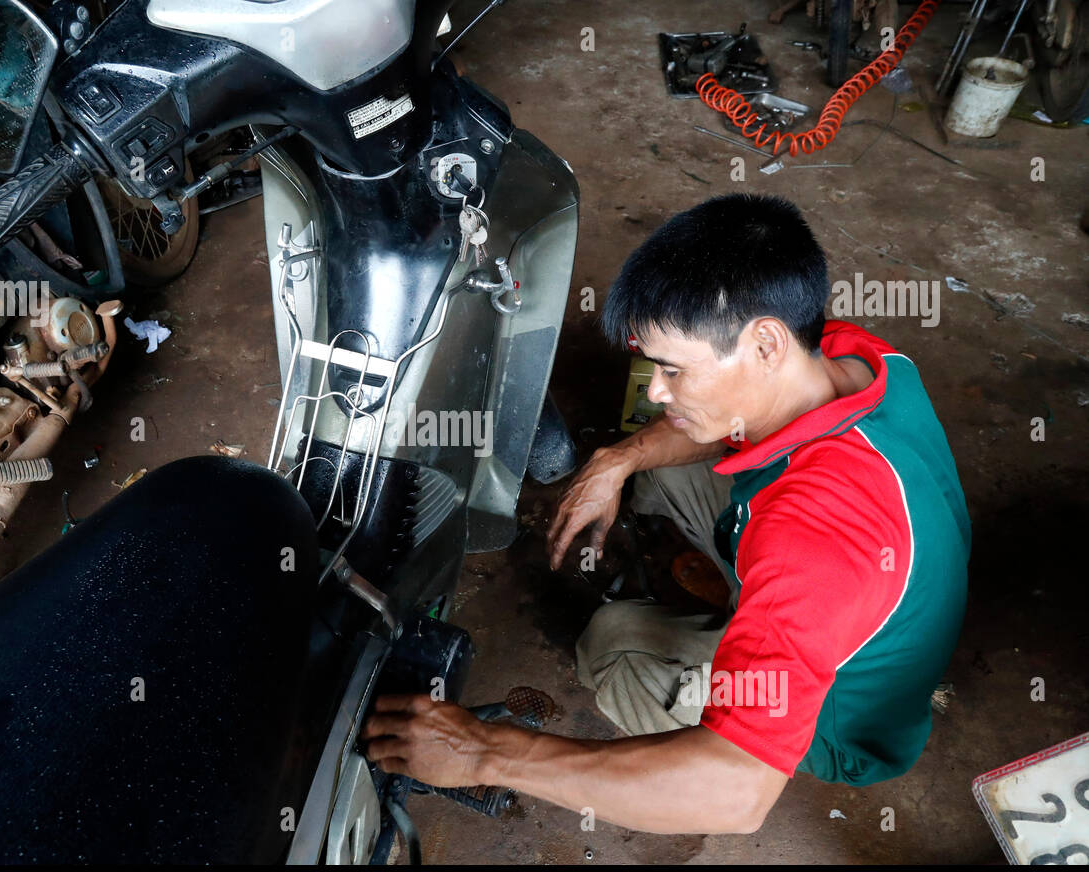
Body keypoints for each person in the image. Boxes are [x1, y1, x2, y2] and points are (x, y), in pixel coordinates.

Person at [362, 194, 970, 834]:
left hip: (845, 720)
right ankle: (734, 601)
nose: (655, 390)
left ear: (765, 342)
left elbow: (734, 794)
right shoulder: (860, 359)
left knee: (612, 648)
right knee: (663, 468)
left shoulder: (811, 546)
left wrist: (486, 752)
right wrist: (616, 461)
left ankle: (740, 637)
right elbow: (724, 428)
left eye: (674, 370)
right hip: (880, 585)